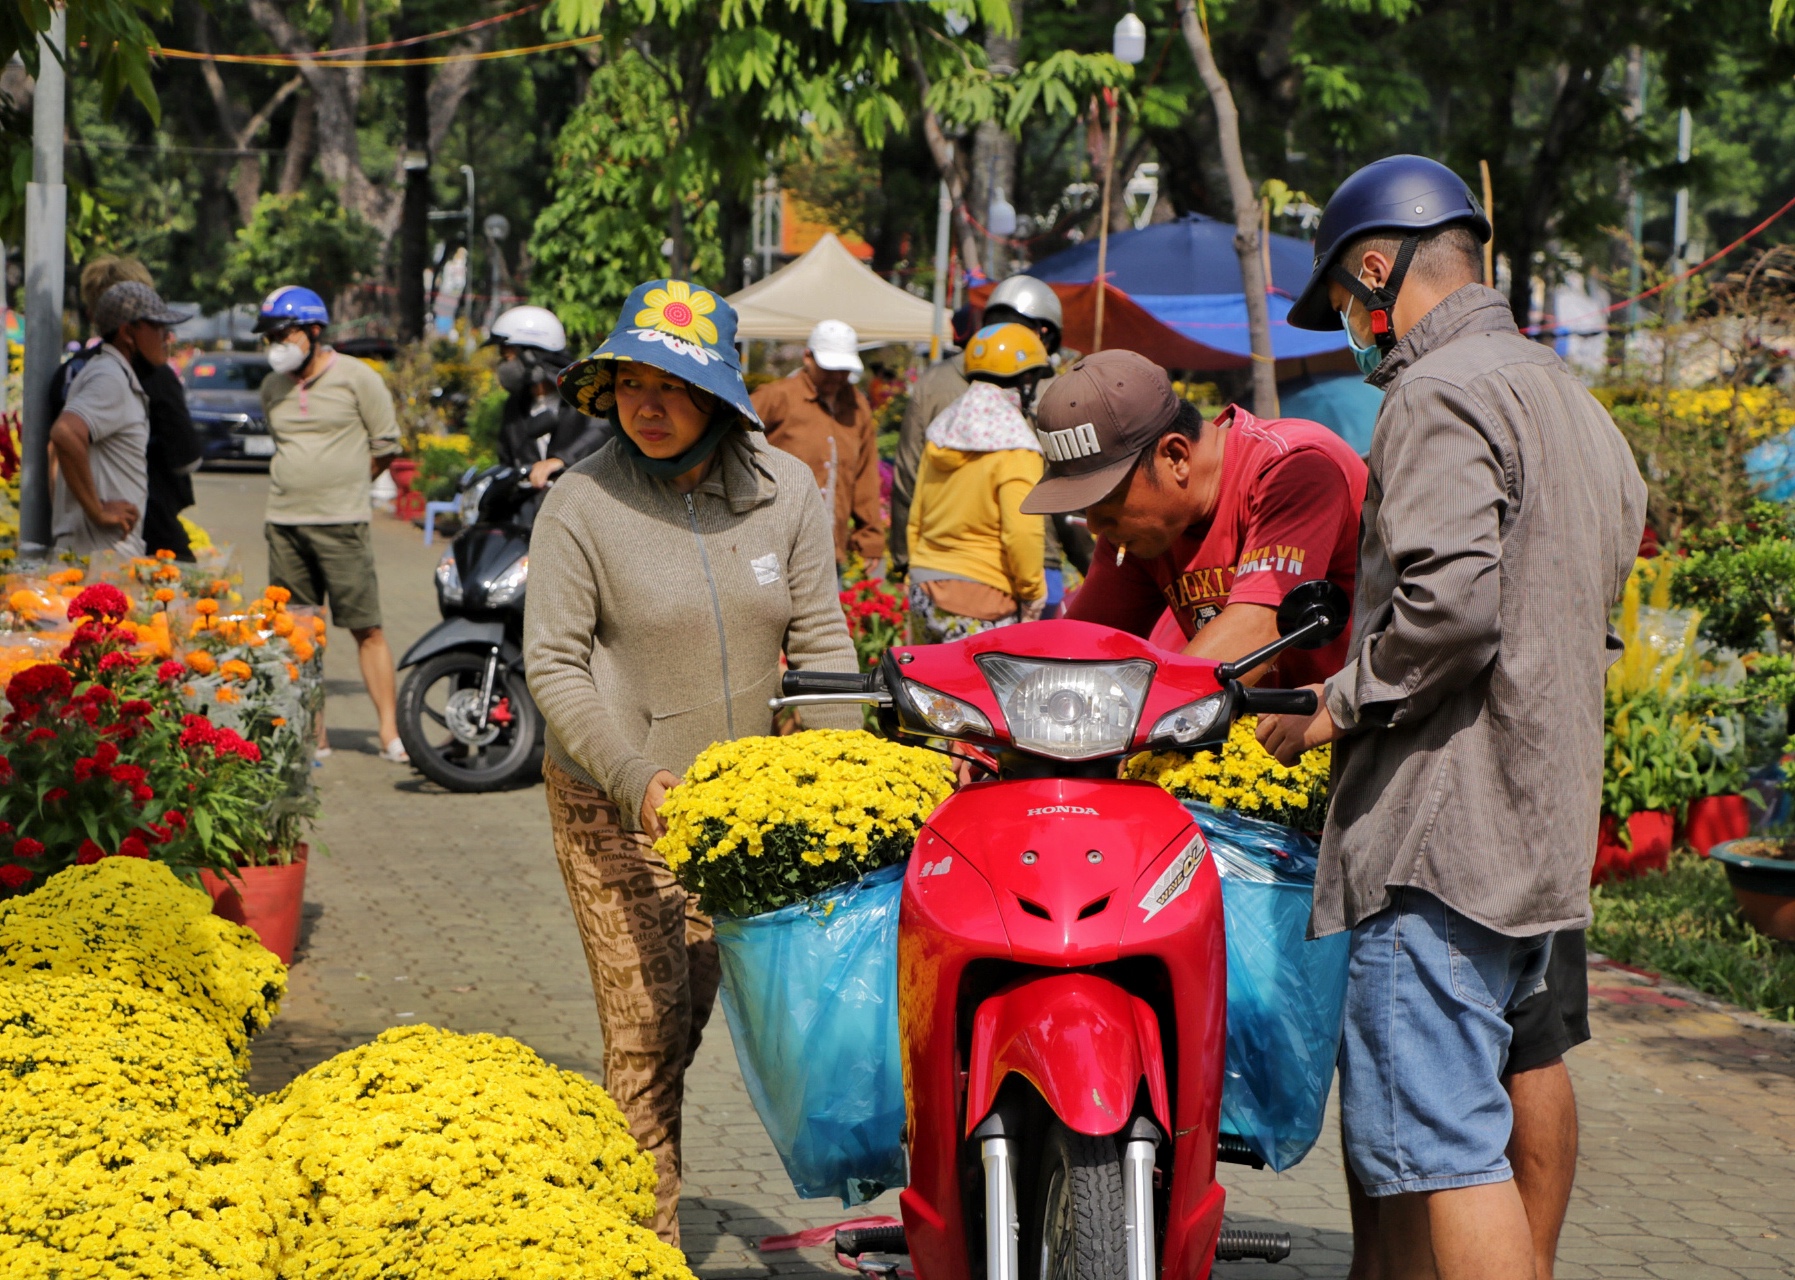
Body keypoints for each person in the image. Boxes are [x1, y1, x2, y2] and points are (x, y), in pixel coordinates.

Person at [1257, 154, 1647, 1280]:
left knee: (1442, 1151)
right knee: (1481, 1109)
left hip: (1439, 836)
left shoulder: (1436, 394)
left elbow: (1449, 611)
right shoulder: (1569, 400)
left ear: (1374, 269)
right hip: (1537, 821)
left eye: (1343, 302)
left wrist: (1335, 704)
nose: (1350, 330)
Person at [525, 278, 862, 1247]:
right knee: (641, 1033)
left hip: (735, 812)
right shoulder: (581, 502)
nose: (647, 403)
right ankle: (644, 1247)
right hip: (611, 800)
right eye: (630, 381)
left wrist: (840, 776)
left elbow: (825, 641)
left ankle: (607, 1180)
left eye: (671, 382)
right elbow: (552, 661)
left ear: (717, 393)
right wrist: (634, 778)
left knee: (683, 1019)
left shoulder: (784, 491)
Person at [1019, 349, 1366, 687]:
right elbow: (1083, 649)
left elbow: (1256, 629)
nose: (1094, 525)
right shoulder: (1145, 531)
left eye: (1106, 498)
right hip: (1248, 736)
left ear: (1175, 456)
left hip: (1360, 733)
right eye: (1083, 507)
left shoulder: (1294, 468)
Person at [255, 285, 408, 763]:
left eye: (284, 333)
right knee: (299, 631)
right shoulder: (271, 387)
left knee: (367, 627)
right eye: (269, 335)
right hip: (283, 522)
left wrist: (347, 484)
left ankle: (389, 733)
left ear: (314, 331)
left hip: (342, 524)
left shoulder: (357, 378)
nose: (275, 343)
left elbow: (386, 446)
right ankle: (313, 735)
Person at [892, 276, 1065, 574]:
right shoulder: (1051, 386)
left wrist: (904, 557)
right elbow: (1066, 485)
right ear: (1042, 332)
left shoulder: (934, 381)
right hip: (1033, 559)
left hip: (938, 559)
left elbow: (909, 473)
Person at [905, 323, 1052, 642]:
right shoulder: (1016, 445)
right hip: (984, 600)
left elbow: (916, 517)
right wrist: (1032, 592)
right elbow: (1022, 531)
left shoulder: (941, 434)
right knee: (978, 693)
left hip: (924, 590)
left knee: (926, 690)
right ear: (1025, 380)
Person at [57, 258, 203, 561]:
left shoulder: (108, 372)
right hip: (104, 551)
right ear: (127, 332)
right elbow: (65, 434)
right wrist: (96, 510)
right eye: (157, 325)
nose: (167, 336)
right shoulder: (110, 377)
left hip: (103, 549)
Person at [751, 318, 885, 567]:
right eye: (829, 368)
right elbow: (732, 444)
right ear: (808, 357)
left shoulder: (857, 407)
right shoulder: (776, 397)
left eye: (843, 369)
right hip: (774, 544)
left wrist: (869, 537)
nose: (837, 376)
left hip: (828, 551)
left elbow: (865, 475)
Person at [487, 304, 610, 487]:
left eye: (507, 358)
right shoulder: (515, 406)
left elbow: (601, 431)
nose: (503, 366)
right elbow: (507, 460)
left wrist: (562, 460)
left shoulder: (581, 396)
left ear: (530, 356)